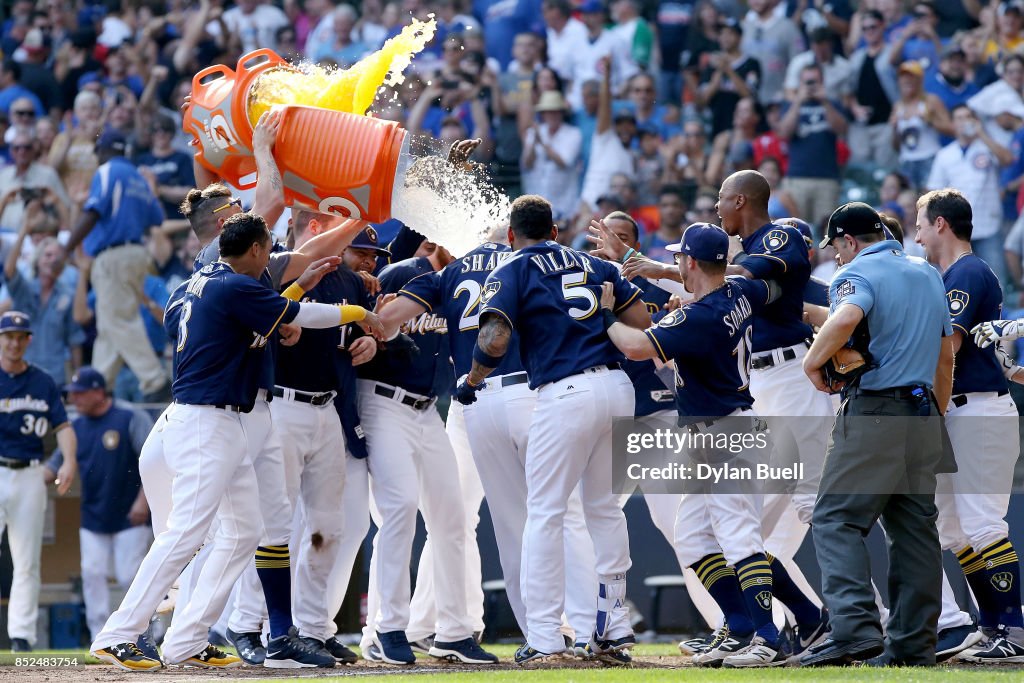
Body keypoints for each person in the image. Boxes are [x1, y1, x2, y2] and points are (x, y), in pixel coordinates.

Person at [89, 213, 382, 672]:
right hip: (207, 420)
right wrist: (359, 312)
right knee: (186, 532)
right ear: (255, 250)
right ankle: (119, 633)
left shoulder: (188, 288)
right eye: (266, 249)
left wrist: (274, 311)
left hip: (224, 420)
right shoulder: (235, 285)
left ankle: (186, 638)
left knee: (246, 530)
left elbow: (216, 325)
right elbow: (299, 314)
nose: (268, 257)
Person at [459, 195, 650, 664]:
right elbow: (642, 322)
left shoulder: (510, 269)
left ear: (511, 235)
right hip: (618, 386)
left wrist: (473, 380)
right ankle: (613, 626)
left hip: (565, 393)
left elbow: (494, 337)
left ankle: (544, 636)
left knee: (544, 511)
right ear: (555, 230)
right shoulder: (594, 265)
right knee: (604, 510)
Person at [800, 202, 954, 667]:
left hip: (876, 410)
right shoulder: (926, 271)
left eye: (838, 248)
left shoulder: (860, 271)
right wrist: (933, 414)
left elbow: (846, 317)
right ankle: (912, 646)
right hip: (923, 411)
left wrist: (811, 363)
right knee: (914, 530)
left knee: (834, 518)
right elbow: (946, 356)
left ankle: (855, 630)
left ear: (849, 240)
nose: (838, 258)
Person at [914, 190, 1024, 662]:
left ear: (940, 224)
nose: (915, 232)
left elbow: (949, 346)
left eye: (919, 222)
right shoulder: (949, 274)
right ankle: (992, 624)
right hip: (958, 409)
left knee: (981, 523)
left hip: (978, 407)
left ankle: (1013, 631)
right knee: (954, 529)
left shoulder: (967, 271)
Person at [62, 129, 169, 401]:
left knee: (119, 321)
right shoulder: (137, 176)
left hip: (114, 255)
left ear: (103, 151)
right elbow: (156, 217)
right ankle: (98, 384)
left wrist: (67, 247)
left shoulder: (108, 170)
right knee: (110, 325)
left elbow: (93, 211)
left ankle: (154, 380)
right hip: (136, 253)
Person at [47, 367, 153, 641]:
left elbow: (153, 463)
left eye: (80, 394)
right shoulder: (76, 426)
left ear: (98, 391)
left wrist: (144, 502)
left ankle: (148, 631)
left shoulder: (129, 416)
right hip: (93, 516)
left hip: (131, 514)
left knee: (130, 575)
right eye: (72, 395)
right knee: (92, 575)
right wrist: (22, 480)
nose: (75, 400)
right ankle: (99, 636)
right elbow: (54, 466)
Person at [0, 310, 76, 653]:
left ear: (28, 340)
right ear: (1, 340)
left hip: (30, 473)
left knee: (27, 560)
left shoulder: (42, 381)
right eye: (8, 336)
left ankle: (22, 637)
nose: (14, 342)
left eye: (20, 337)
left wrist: (69, 461)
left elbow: (63, 427)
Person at [927, 104, 1014, 284]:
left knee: (996, 281)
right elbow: (933, 194)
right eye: (959, 118)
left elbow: (1008, 160)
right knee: (960, 281)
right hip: (957, 230)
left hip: (988, 224)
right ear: (953, 123)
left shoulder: (987, 146)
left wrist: (981, 133)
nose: (964, 121)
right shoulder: (944, 155)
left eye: (968, 117)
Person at [777, 63, 849, 227]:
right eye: (807, 82)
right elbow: (784, 132)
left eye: (814, 81)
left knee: (827, 231)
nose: (810, 86)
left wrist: (825, 101)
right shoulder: (791, 105)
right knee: (795, 228)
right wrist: (798, 102)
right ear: (800, 83)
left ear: (822, 82)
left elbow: (842, 129)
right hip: (797, 177)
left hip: (827, 179)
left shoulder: (832, 104)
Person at [891, 61, 953, 188]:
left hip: (929, 158)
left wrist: (930, 121)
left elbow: (951, 129)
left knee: (930, 200)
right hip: (907, 161)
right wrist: (894, 129)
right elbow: (896, 146)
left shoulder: (930, 101)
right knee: (908, 201)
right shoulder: (898, 106)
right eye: (903, 77)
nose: (907, 80)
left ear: (920, 80)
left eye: (911, 77)